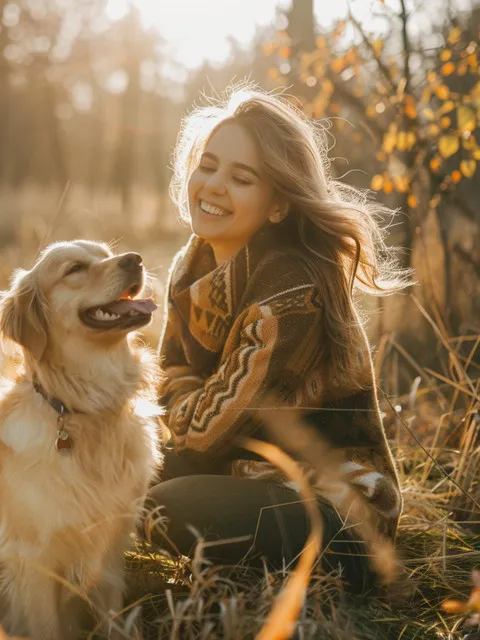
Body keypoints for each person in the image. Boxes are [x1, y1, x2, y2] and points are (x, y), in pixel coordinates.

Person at [146, 86, 410, 593]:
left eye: (242, 178)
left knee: (160, 505)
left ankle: (319, 575)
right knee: (113, 468)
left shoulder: (292, 290)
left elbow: (201, 434)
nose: (214, 185)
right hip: (244, 474)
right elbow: (168, 387)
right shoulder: (193, 263)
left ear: (277, 206)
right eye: (209, 165)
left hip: (337, 512)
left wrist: (185, 399)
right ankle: (234, 567)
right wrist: (186, 400)